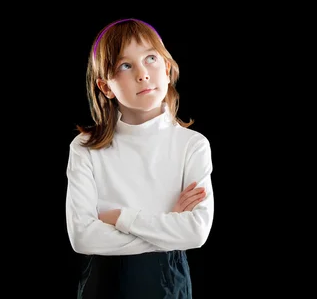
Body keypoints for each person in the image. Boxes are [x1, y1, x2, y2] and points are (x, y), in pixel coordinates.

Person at [65, 18, 214, 298]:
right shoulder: (85, 147)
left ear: (167, 69)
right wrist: (168, 223)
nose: (143, 74)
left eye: (151, 59)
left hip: (169, 283)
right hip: (104, 285)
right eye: (125, 65)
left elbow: (195, 233)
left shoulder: (192, 145)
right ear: (106, 87)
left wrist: (120, 217)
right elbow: (83, 237)